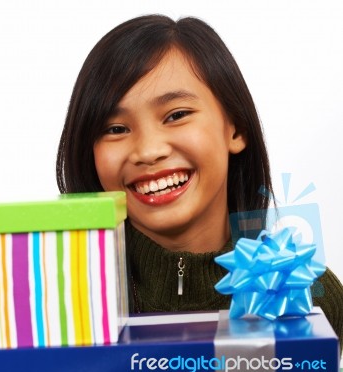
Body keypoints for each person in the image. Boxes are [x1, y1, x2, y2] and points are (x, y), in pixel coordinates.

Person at [56, 14, 343, 351]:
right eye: (115, 129)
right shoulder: (58, 300)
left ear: (235, 129)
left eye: (176, 115)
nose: (148, 151)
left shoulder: (310, 293)